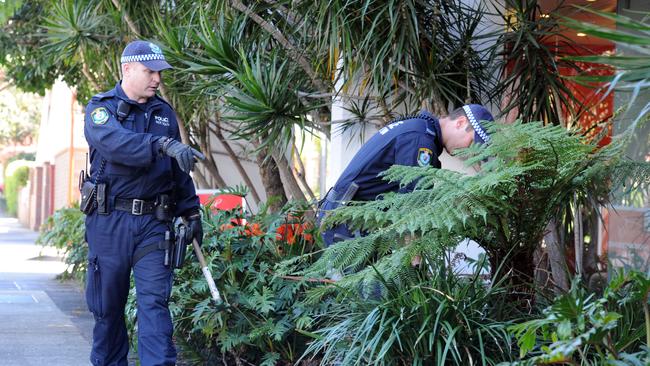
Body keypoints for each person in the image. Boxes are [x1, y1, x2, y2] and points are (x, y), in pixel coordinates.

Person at [83, 40, 205, 366]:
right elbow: (115, 145)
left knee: (154, 306)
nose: (156, 79)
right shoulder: (101, 109)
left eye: (159, 73)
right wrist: (161, 145)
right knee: (107, 310)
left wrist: (191, 211)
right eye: (150, 71)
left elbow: (179, 170)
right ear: (127, 69)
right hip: (110, 222)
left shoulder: (163, 112)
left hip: (153, 224)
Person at [317, 104, 493, 247]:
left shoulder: (419, 130)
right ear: (460, 123)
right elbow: (412, 205)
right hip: (347, 223)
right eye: (471, 142)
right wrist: (414, 258)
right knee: (374, 291)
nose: (470, 151)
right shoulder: (420, 141)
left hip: (348, 218)